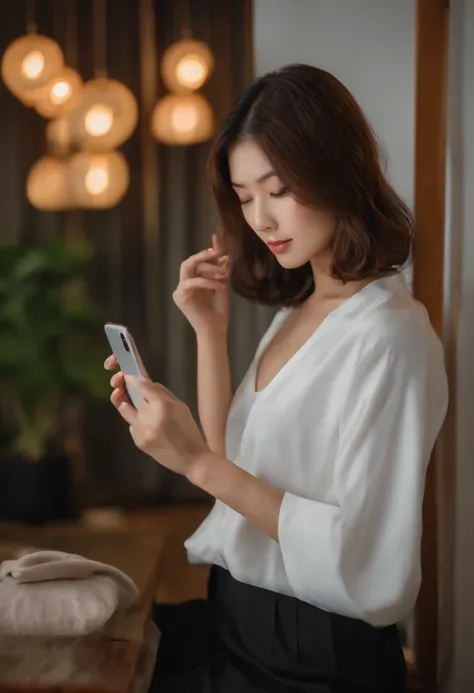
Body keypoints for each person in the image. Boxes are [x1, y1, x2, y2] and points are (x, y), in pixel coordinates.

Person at [104, 64, 448, 693]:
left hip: (311, 655)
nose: (261, 218)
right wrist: (209, 332)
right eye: (243, 196)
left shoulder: (391, 338)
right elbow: (235, 462)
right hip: (237, 614)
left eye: (279, 188)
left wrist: (193, 464)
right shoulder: (300, 309)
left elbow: (366, 558)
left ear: (336, 170)